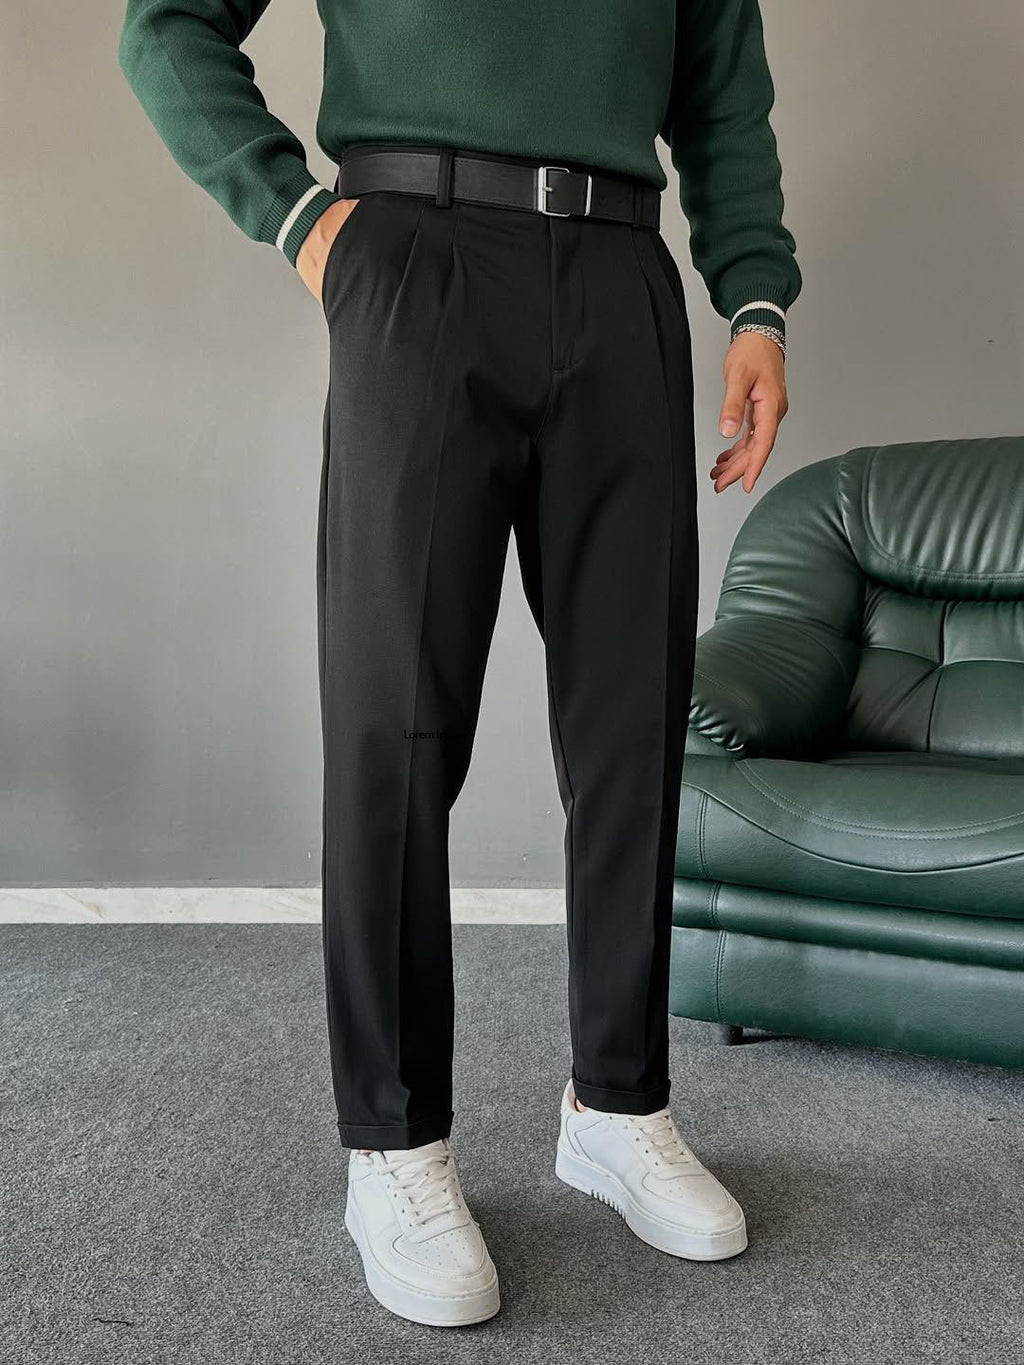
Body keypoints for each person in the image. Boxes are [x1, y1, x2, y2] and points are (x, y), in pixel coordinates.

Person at [118, 0, 801, 1328]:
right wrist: (301, 218)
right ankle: (393, 1141)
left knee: (633, 721)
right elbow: (166, 27)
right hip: (414, 258)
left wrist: (757, 294)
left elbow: (724, 85)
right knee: (398, 726)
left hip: (622, 271)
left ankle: (617, 1102)